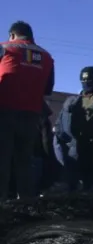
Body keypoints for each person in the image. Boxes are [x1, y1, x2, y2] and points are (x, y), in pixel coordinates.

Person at [0, 21, 55, 200]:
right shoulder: (46, 56)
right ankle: (26, 205)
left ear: (12, 35)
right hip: (31, 116)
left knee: (2, 160)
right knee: (25, 162)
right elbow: (48, 89)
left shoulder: (4, 48)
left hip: (4, 111)